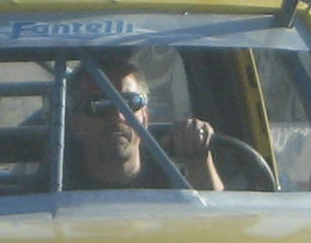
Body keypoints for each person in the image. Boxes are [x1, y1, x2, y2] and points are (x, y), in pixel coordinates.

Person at [65, 54, 222, 191]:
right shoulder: (56, 195)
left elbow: (216, 215)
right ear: (75, 123)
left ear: (145, 117)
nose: (118, 116)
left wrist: (200, 159)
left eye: (129, 103)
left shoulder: (179, 184)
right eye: (100, 106)